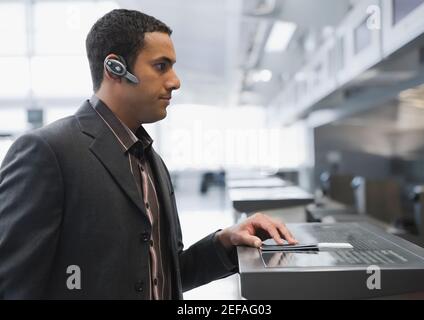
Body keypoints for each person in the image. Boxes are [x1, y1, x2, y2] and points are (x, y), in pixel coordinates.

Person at [0, 9, 297, 300]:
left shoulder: (151, 161)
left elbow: (163, 273)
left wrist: (224, 242)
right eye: (161, 66)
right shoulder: (48, 152)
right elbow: (12, 285)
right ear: (115, 68)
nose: (175, 81)